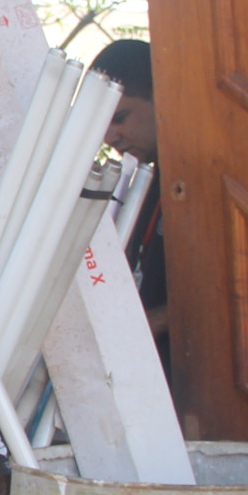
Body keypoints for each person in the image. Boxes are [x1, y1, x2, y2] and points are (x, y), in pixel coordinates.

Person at [91, 37, 170, 369]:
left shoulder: (201, 183)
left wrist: (160, 320)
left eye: (120, 117)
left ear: (159, 97)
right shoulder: (143, 181)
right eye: (103, 125)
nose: (111, 137)